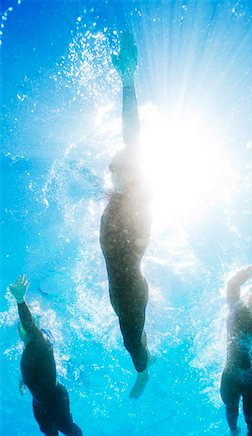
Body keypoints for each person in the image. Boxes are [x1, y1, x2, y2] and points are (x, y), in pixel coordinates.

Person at [100, 31, 154, 399]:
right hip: (122, 290)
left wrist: (127, 79)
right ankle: (142, 362)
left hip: (129, 292)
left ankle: (143, 373)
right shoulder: (116, 198)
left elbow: (132, 139)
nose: (114, 177)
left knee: (131, 343)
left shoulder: (134, 199)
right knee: (129, 336)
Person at [9, 274, 85, 436]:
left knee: (65, 428)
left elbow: (29, 325)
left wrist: (20, 299)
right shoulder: (30, 347)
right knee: (49, 434)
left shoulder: (41, 341)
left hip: (55, 396)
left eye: (25, 326)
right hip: (38, 401)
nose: (22, 330)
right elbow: (34, 369)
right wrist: (23, 380)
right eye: (21, 328)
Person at [220, 265, 252, 436]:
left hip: (250, 380)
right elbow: (233, 283)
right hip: (232, 373)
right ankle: (234, 434)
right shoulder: (237, 308)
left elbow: (233, 284)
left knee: (251, 418)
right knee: (231, 409)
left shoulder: (237, 308)